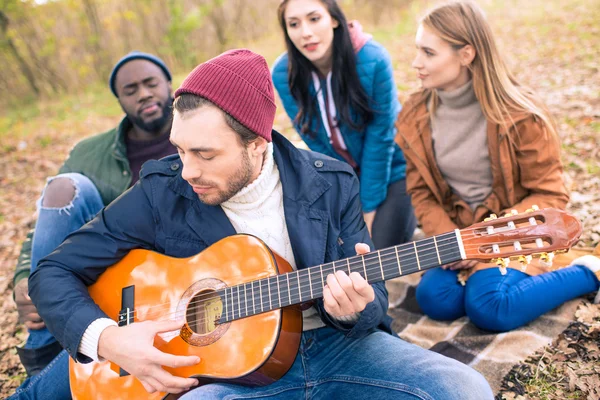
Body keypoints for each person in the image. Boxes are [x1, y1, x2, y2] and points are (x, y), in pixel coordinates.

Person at [24, 49, 494, 400]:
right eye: (180, 149)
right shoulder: (163, 189)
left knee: (465, 389)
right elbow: (53, 271)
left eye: (205, 154)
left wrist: (355, 309)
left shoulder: (330, 183)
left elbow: (373, 315)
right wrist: (110, 339)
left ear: (257, 143)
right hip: (229, 373)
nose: (187, 170)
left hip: (335, 347)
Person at [394, 1, 600, 332]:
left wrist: (483, 242)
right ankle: (494, 277)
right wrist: (451, 241)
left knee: (491, 307)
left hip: (515, 232)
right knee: (435, 299)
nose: (416, 63)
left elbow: (548, 192)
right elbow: (420, 190)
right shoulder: (415, 115)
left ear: (466, 54)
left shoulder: (521, 115)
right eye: (418, 50)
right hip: (458, 234)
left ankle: (588, 271)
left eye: (429, 53)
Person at [11, 51, 176, 395]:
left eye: (150, 83)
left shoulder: (195, 131)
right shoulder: (90, 152)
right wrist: (26, 273)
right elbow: (48, 217)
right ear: (120, 100)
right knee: (62, 187)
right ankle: (44, 344)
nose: (143, 93)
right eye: (130, 90)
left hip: (157, 273)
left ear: (169, 84)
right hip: (100, 255)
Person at [271, 0, 416, 250]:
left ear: (334, 19)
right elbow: (312, 138)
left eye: (314, 19)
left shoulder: (373, 59)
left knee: (374, 250)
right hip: (343, 177)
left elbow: (381, 140)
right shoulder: (284, 73)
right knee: (329, 251)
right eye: (294, 24)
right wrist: (346, 192)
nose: (305, 32)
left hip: (394, 170)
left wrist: (366, 209)